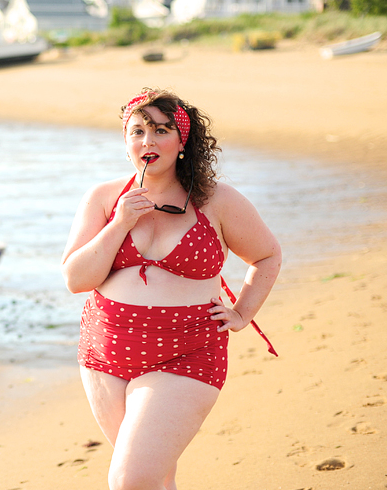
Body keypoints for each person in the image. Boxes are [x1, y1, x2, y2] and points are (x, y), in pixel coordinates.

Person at [61, 87, 281, 490]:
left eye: (162, 130)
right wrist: (120, 223)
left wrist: (242, 313)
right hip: (105, 352)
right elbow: (76, 279)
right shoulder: (105, 199)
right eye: (138, 130)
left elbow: (267, 256)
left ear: (182, 141)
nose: (148, 141)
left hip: (188, 352)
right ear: (126, 141)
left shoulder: (217, 201)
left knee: (131, 480)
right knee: (157, 479)